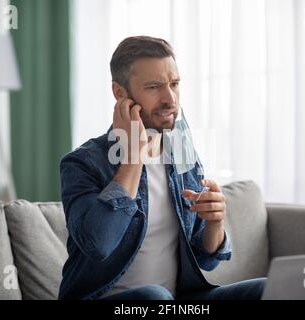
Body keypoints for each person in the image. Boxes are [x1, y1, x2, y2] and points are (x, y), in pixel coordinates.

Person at [58, 35, 266, 300]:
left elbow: (206, 259)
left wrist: (215, 223)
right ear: (120, 93)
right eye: (154, 87)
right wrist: (134, 158)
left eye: (175, 84)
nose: (170, 99)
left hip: (175, 302)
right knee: (154, 298)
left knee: (266, 289)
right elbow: (99, 244)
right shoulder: (82, 164)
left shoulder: (181, 151)